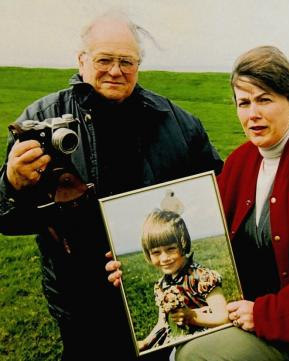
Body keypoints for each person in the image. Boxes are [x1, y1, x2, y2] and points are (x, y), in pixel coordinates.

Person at [0, 10, 223, 361]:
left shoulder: (179, 124)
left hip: (162, 287)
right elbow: (9, 221)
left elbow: (214, 196)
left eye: (126, 61)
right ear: (81, 60)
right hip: (80, 301)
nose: (116, 70)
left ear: (138, 65)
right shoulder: (40, 120)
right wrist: (12, 183)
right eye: (104, 59)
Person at [175, 46, 289, 361]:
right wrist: (135, 263)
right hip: (248, 318)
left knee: (196, 356)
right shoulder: (239, 163)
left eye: (264, 99)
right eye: (244, 103)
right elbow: (208, 241)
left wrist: (265, 315)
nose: (253, 114)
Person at [137, 209, 229, 352]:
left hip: (215, 341)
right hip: (182, 344)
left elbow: (224, 318)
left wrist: (192, 316)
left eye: (171, 249)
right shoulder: (162, 286)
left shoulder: (201, 277)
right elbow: (163, 323)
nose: (164, 258)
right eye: (156, 252)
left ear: (183, 244)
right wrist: (145, 342)